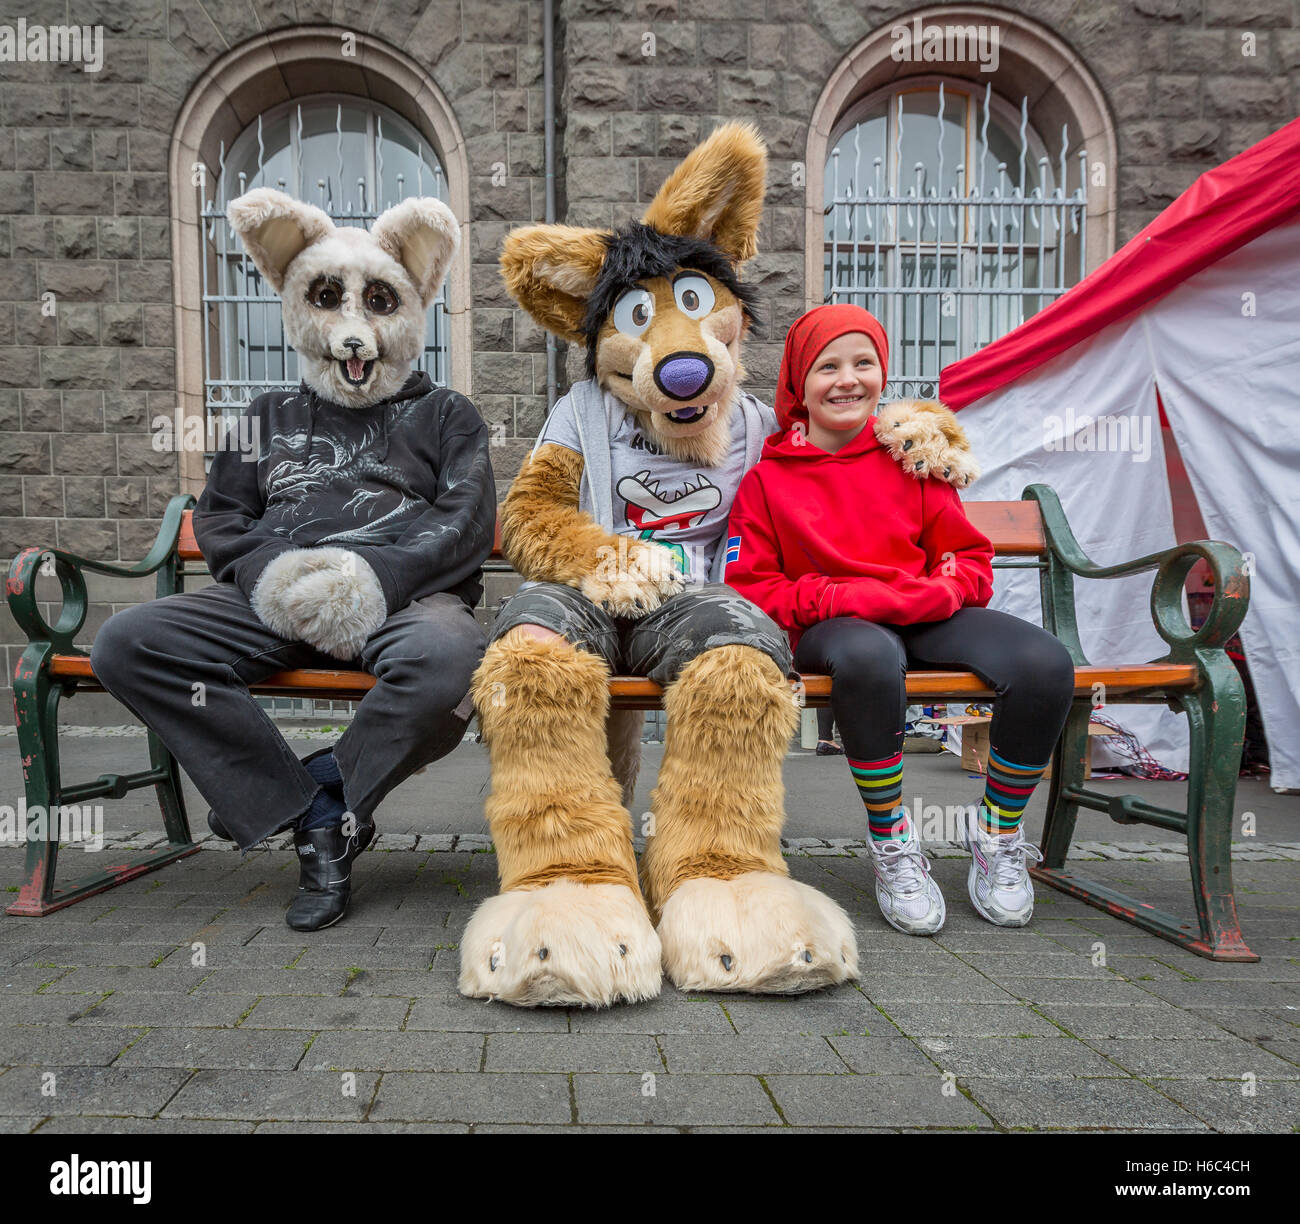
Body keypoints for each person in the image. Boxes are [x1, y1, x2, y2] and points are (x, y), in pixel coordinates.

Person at [725, 303, 1076, 936]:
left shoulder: (911, 459)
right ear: (799, 384)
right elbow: (753, 587)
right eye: (828, 366)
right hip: (836, 629)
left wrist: (940, 592)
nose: (848, 379)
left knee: (1044, 663)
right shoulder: (768, 483)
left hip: (923, 613)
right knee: (868, 654)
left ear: (882, 374)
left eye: (864, 363)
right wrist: (837, 597)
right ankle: (891, 839)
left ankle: (997, 833)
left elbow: (968, 558)